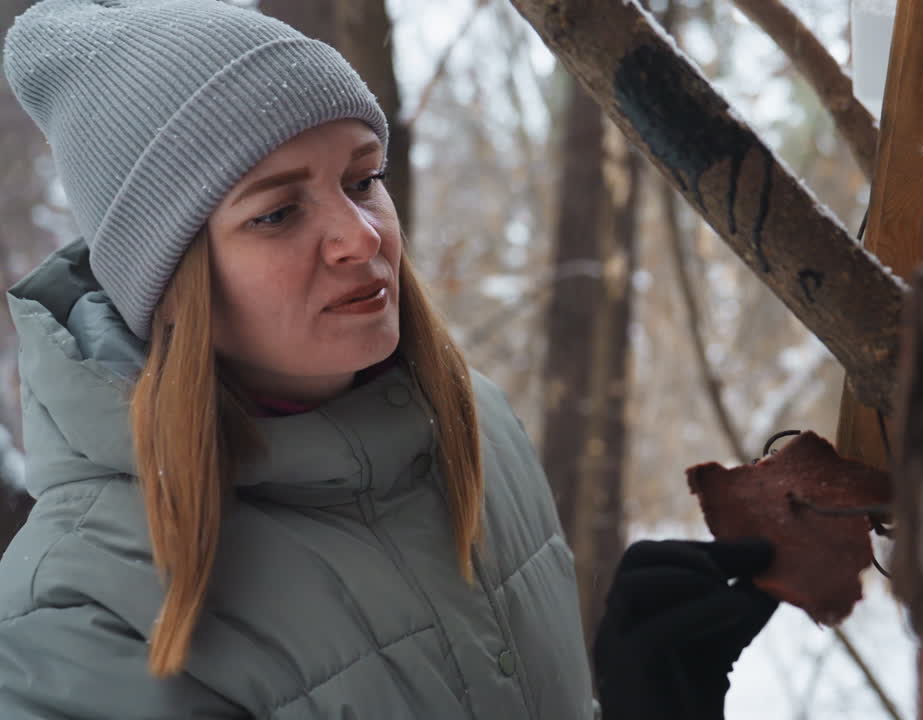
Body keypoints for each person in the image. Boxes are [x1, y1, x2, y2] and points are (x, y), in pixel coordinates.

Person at [0, 1, 776, 718]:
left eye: (362, 179)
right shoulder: (84, 610)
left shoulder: (475, 431)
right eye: (276, 213)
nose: (361, 237)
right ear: (165, 281)